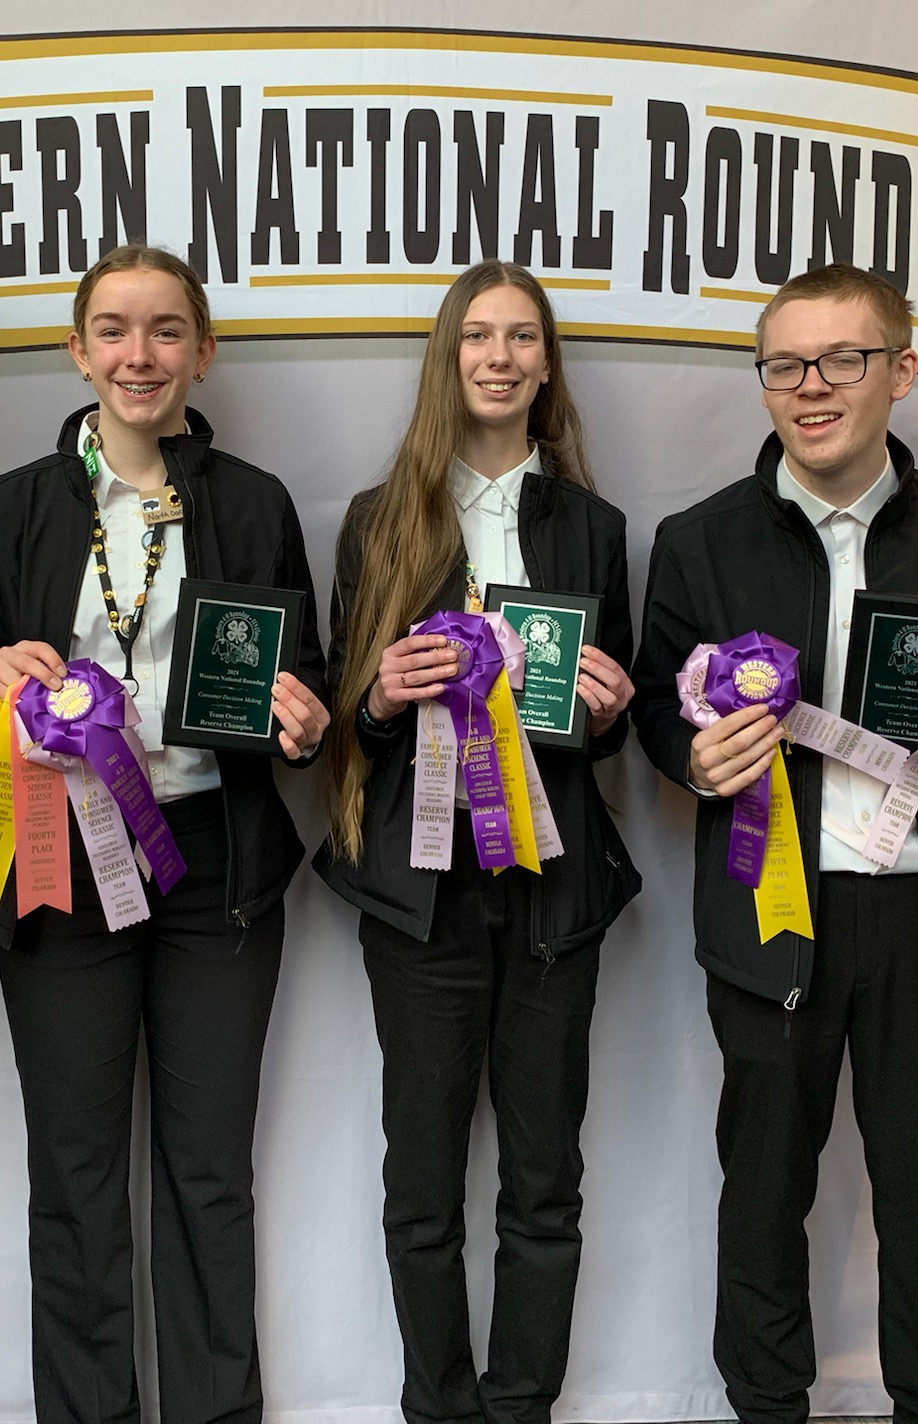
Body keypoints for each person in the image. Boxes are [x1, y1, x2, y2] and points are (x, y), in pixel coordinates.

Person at [630, 263, 918, 1424]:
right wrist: (687, 758)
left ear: (899, 372)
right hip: (768, 915)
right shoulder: (697, 541)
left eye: (841, 360)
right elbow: (659, 705)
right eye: (784, 365)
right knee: (758, 1198)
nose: (810, 387)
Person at [0, 243, 330, 1424]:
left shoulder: (255, 502)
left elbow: (301, 682)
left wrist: (304, 724)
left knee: (209, 1178)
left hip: (213, 871)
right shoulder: (12, 506)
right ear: (76, 351)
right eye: (113, 330)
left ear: (201, 355)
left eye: (167, 331)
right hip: (58, 862)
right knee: (73, 1179)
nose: (139, 354)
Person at [314, 260, 641, 1424]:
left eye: (521, 338)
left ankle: (521, 1409)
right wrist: (382, 696)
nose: (498, 357)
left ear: (546, 364)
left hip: (555, 897)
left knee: (545, 1184)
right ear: (446, 359)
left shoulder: (594, 528)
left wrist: (611, 711)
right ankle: (437, 1409)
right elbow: (342, 722)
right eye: (476, 338)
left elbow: (609, 735)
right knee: (423, 1189)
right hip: (419, 901)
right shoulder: (378, 519)